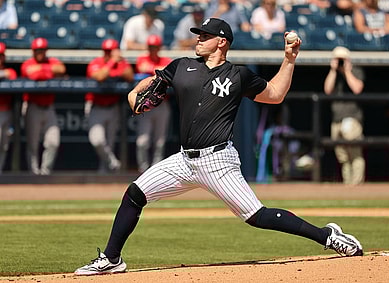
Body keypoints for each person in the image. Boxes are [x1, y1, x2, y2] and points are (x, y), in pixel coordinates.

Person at [74, 18, 363, 276]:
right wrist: (136, 94)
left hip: (218, 161)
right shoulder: (182, 66)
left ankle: (327, 236)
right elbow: (149, 86)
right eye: (198, 35)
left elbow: (274, 96)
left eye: (204, 35)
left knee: (257, 216)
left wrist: (289, 59)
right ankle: (111, 258)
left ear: (221, 41)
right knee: (135, 193)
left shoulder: (238, 75)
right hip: (183, 161)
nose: (198, 39)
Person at [85, 39, 134, 173]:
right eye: (106, 51)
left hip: (113, 107)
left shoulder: (121, 62)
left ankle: (104, 172)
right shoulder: (96, 63)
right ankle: (112, 162)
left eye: (111, 51)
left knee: (110, 143)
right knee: (97, 140)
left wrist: (118, 65)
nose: (108, 54)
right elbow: (100, 76)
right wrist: (112, 63)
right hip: (96, 106)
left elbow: (130, 76)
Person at [20, 38, 66, 175]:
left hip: (49, 107)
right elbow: (32, 74)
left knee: (53, 141)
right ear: (33, 51)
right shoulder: (27, 63)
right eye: (37, 50)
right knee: (32, 145)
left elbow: (62, 69)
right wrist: (49, 72)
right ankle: (33, 173)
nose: (40, 53)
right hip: (32, 106)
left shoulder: (52, 61)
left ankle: (45, 172)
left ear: (46, 51)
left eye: (42, 50)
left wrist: (42, 69)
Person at [323, 46, 365, 185]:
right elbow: (327, 90)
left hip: (352, 119)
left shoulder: (356, 71)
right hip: (336, 120)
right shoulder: (333, 74)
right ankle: (348, 185)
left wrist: (347, 71)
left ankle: (357, 184)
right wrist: (333, 70)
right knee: (342, 156)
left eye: (342, 59)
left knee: (354, 153)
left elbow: (357, 88)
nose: (340, 62)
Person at [134, 34, 172, 172]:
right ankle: (143, 169)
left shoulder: (166, 60)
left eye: (155, 47)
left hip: (162, 104)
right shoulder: (142, 59)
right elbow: (142, 68)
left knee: (160, 141)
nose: (152, 50)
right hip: (146, 105)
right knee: (142, 141)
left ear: (159, 48)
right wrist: (158, 70)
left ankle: (156, 171)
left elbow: (167, 72)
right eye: (150, 47)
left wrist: (152, 70)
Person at [0, 42, 17, 174]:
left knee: (4, 145)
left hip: (6, 112)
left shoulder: (9, 71)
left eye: (0, 56)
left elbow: (12, 76)